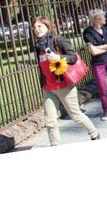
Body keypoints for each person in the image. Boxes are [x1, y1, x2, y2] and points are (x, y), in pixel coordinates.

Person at [31, 15, 100, 144]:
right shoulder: (38, 46)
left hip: (64, 86)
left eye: (39, 26)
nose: (37, 29)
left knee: (76, 116)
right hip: (48, 88)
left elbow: (73, 57)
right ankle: (55, 145)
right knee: (50, 120)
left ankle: (94, 133)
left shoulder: (59, 40)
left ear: (47, 26)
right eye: (34, 27)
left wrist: (58, 57)